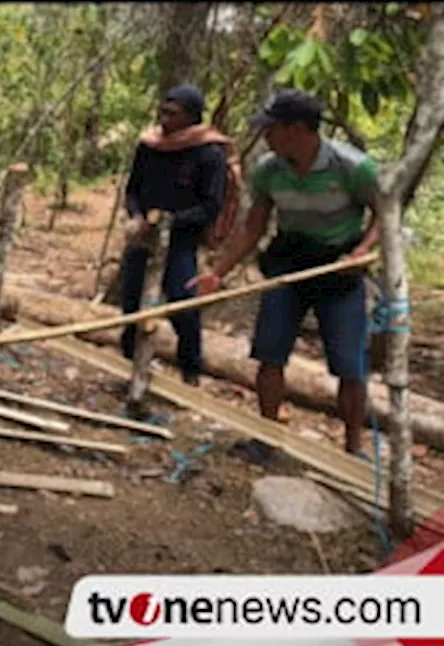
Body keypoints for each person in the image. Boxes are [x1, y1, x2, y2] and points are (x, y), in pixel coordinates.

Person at [187, 89, 381, 465]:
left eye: (272, 129)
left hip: (338, 270)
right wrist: (217, 274)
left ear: (297, 129)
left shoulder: (352, 167)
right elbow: (253, 227)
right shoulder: (269, 170)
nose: (266, 137)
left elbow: (383, 216)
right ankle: (266, 438)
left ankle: (354, 448)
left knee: (349, 363)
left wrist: (361, 253)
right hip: (288, 265)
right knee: (270, 352)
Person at [119, 83, 231, 388]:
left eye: (173, 113)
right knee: (131, 301)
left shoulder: (209, 153)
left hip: (181, 239)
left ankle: (190, 371)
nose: (164, 118)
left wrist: (172, 222)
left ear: (191, 117)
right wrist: (138, 216)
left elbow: (211, 206)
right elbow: (133, 190)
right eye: (163, 111)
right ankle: (129, 365)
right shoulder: (149, 146)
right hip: (144, 236)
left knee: (182, 303)